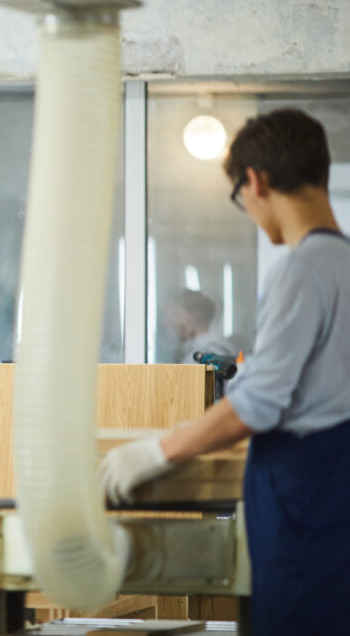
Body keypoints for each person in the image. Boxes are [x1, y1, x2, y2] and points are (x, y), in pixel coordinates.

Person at [99, 109, 350, 635]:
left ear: (255, 181)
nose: (250, 212)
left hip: (307, 498)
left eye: (241, 199)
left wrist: (155, 451)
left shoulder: (302, 269)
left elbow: (256, 405)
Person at [163, 288, 238, 363]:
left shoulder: (205, 355)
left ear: (193, 317)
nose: (174, 322)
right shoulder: (223, 346)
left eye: (178, 315)